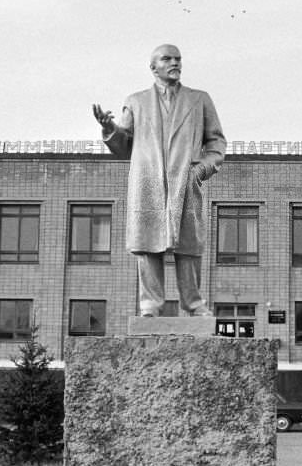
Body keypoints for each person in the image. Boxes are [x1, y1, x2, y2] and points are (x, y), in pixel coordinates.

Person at [93, 44, 226, 317]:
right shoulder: (136, 101)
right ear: (153, 67)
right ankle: (150, 305)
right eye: (167, 59)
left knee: (189, 243)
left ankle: (193, 303)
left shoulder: (199, 99)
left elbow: (216, 142)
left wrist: (201, 170)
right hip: (148, 181)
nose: (175, 63)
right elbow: (124, 146)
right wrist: (109, 128)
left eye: (178, 59)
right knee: (148, 243)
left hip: (185, 179)